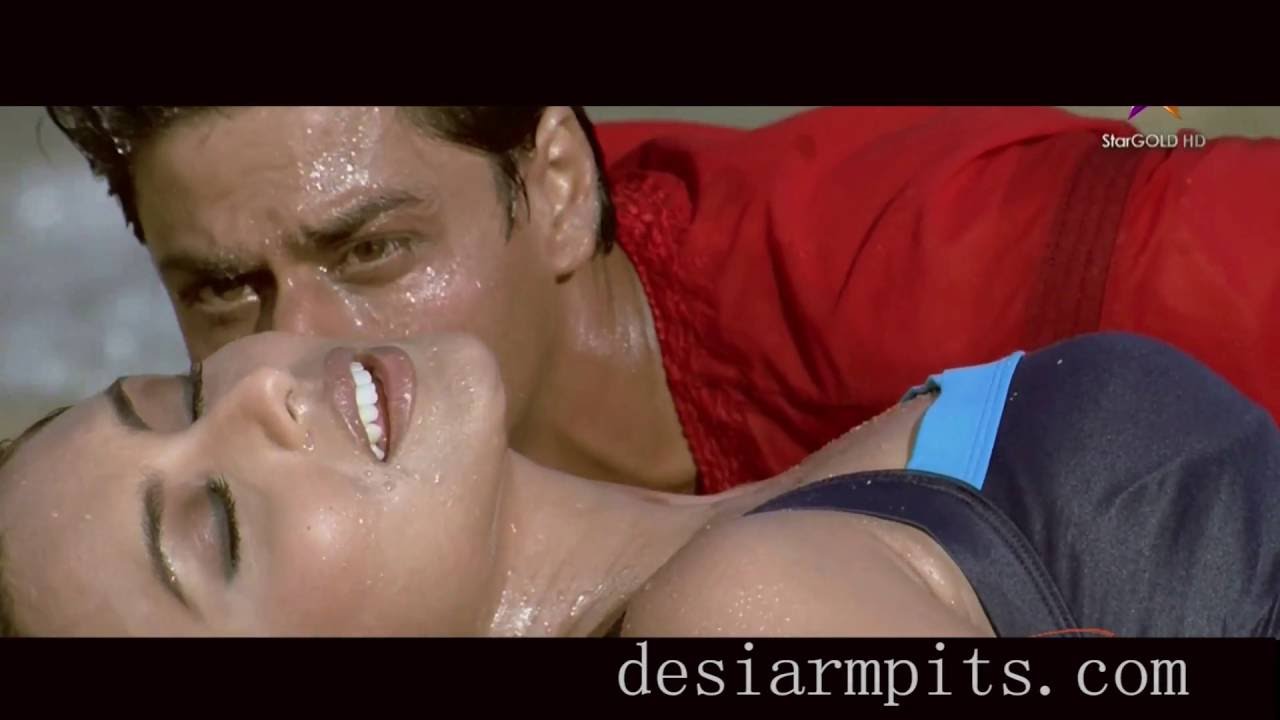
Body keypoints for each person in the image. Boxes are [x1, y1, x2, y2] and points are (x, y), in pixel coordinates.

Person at [47, 106, 1280, 494]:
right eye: (222, 289)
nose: (289, 352)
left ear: (557, 188)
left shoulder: (1007, 285)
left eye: (371, 251)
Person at [1, 330, 1277, 637]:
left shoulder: (744, 532)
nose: (253, 399)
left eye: (174, 396)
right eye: (216, 524)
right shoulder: (730, 625)